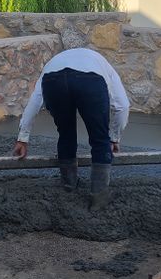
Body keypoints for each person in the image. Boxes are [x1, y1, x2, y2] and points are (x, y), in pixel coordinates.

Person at [13, 47, 130, 209]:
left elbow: (35, 100)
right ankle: (99, 196)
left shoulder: (52, 63)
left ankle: (68, 185)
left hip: (53, 81)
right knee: (100, 139)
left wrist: (22, 138)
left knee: (66, 134)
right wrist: (114, 138)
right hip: (90, 80)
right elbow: (123, 106)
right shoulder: (103, 64)